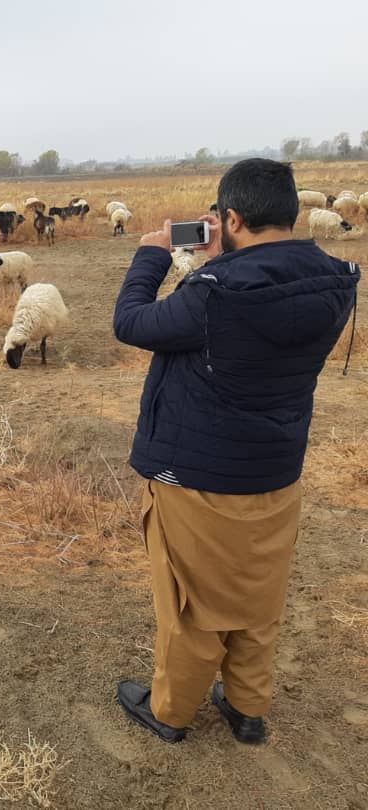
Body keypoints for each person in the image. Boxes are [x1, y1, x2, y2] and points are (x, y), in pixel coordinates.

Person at [112, 158, 359, 745]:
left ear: (230, 217)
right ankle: (247, 707)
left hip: (199, 473)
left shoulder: (212, 294)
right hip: (276, 470)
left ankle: (171, 711)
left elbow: (132, 321)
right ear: (292, 213)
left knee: (192, 601)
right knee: (257, 591)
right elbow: (260, 307)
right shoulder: (333, 281)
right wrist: (231, 257)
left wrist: (152, 253)